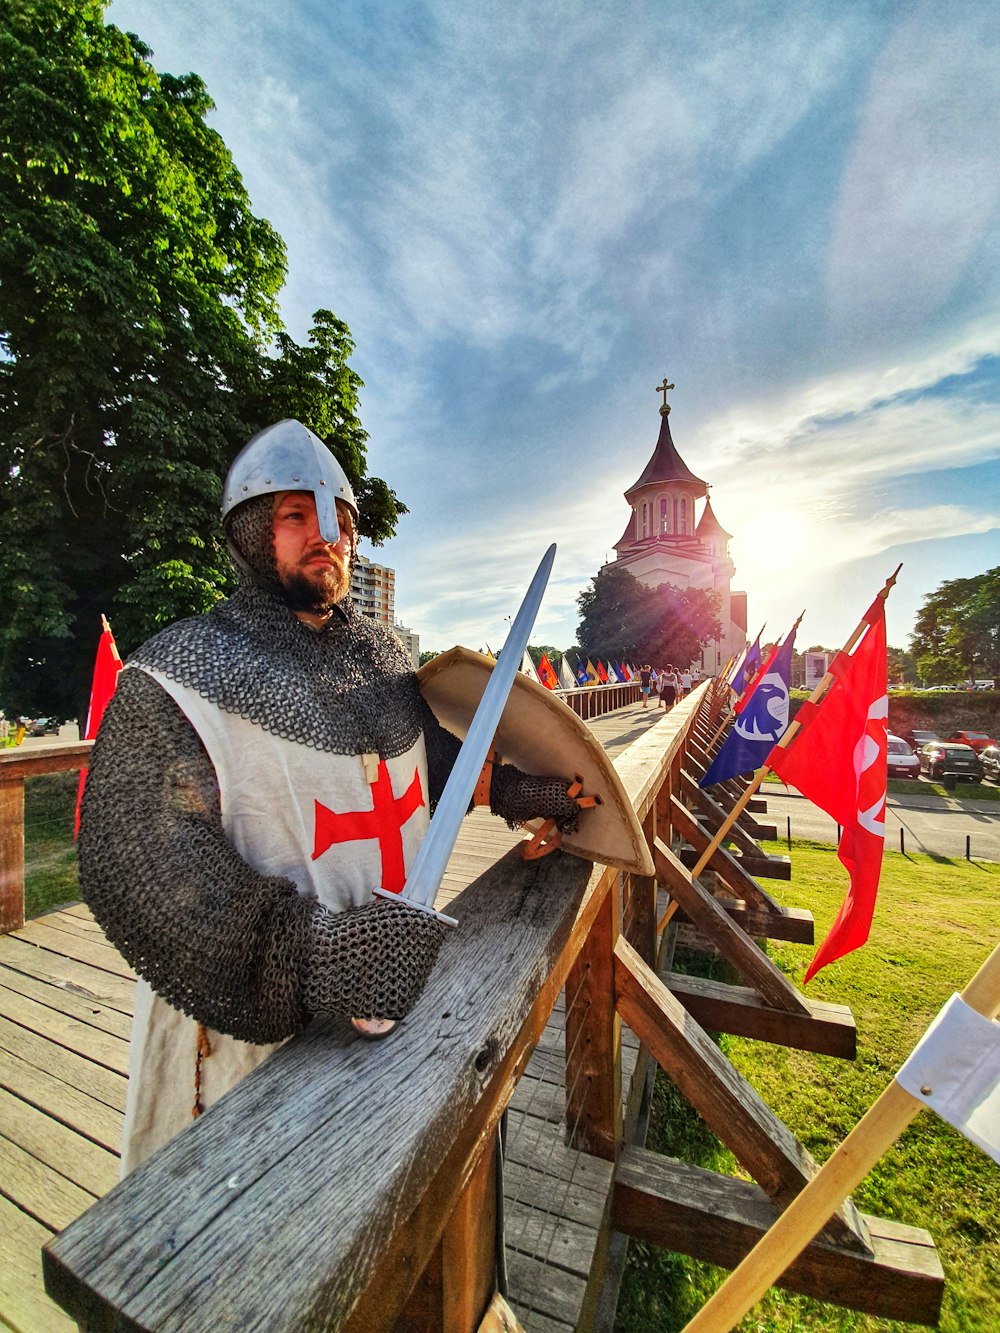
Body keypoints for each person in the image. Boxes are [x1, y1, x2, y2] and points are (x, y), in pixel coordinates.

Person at [79, 419, 581, 1173]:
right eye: (296, 515)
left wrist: (528, 788)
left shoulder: (379, 662)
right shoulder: (181, 676)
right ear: (252, 534)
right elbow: (141, 861)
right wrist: (315, 956)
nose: (328, 535)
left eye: (341, 522)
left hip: (396, 999)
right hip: (245, 1039)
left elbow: (427, 770)